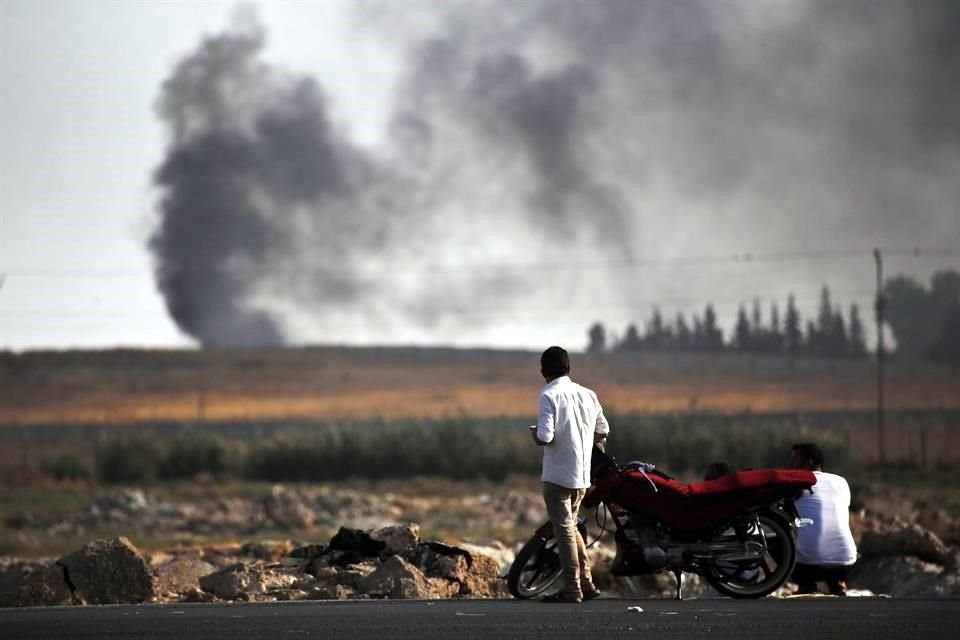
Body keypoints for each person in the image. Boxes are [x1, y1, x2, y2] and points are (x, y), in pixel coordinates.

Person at [530, 346, 610, 603]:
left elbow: (545, 436)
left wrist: (535, 435)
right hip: (582, 477)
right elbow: (603, 429)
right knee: (571, 526)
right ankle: (586, 583)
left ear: (543, 371)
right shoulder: (588, 394)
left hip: (557, 477)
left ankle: (572, 589)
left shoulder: (547, 395)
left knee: (563, 530)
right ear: (569, 368)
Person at [789, 442, 858, 595]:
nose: (791, 464)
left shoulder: (796, 483)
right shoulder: (841, 482)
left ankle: (806, 584)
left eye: (795, 460)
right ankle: (838, 583)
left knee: (777, 539)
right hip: (846, 563)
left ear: (810, 462)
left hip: (806, 566)